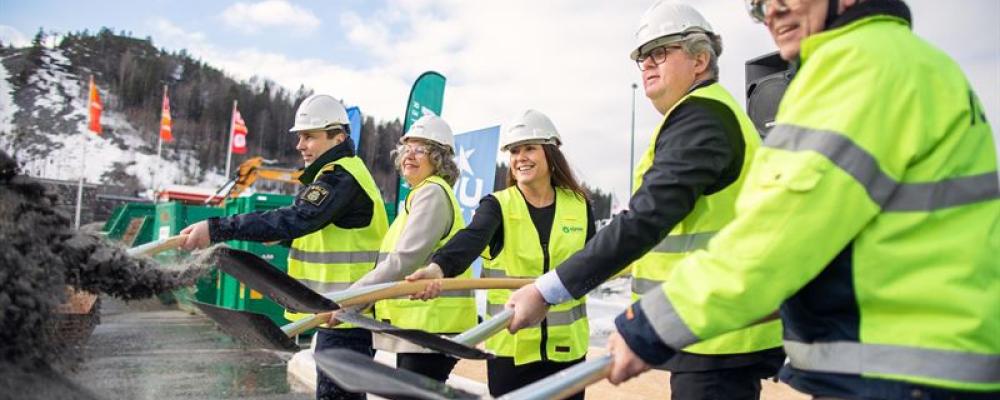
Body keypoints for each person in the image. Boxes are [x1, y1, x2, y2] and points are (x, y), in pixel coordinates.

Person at [603, 0, 1000, 398]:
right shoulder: (921, 63)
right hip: (932, 360)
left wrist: (649, 325)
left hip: (898, 371)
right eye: (757, 5)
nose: (771, 11)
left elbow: (777, 234)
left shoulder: (858, 69)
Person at [503, 2, 784, 399]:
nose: (648, 64)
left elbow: (646, 218)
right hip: (707, 328)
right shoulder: (699, 115)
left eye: (660, 52)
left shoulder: (702, 118)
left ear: (700, 60)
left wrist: (548, 290)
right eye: (642, 57)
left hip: (717, 335)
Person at [180, 94, 388, 400]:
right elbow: (319, 229)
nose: (300, 145)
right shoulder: (337, 174)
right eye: (300, 137)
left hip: (348, 314)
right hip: (338, 311)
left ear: (338, 137)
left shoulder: (340, 176)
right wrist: (284, 236)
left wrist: (216, 229)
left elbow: (297, 218)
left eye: (309, 137)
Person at [408, 110, 596, 399]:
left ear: (550, 152)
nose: (521, 157)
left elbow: (595, 260)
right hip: (512, 352)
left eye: (529, 148)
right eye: (514, 151)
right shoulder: (498, 205)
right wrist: (438, 268)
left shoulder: (580, 206)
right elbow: (470, 239)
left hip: (567, 352)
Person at [332, 115, 476, 382]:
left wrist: (350, 299)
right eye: (406, 148)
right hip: (421, 326)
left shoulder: (432, 193)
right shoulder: (422, 192)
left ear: (439, 158)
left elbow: (404, 261)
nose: (409, 155)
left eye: (420, 149)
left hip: (431, 327)